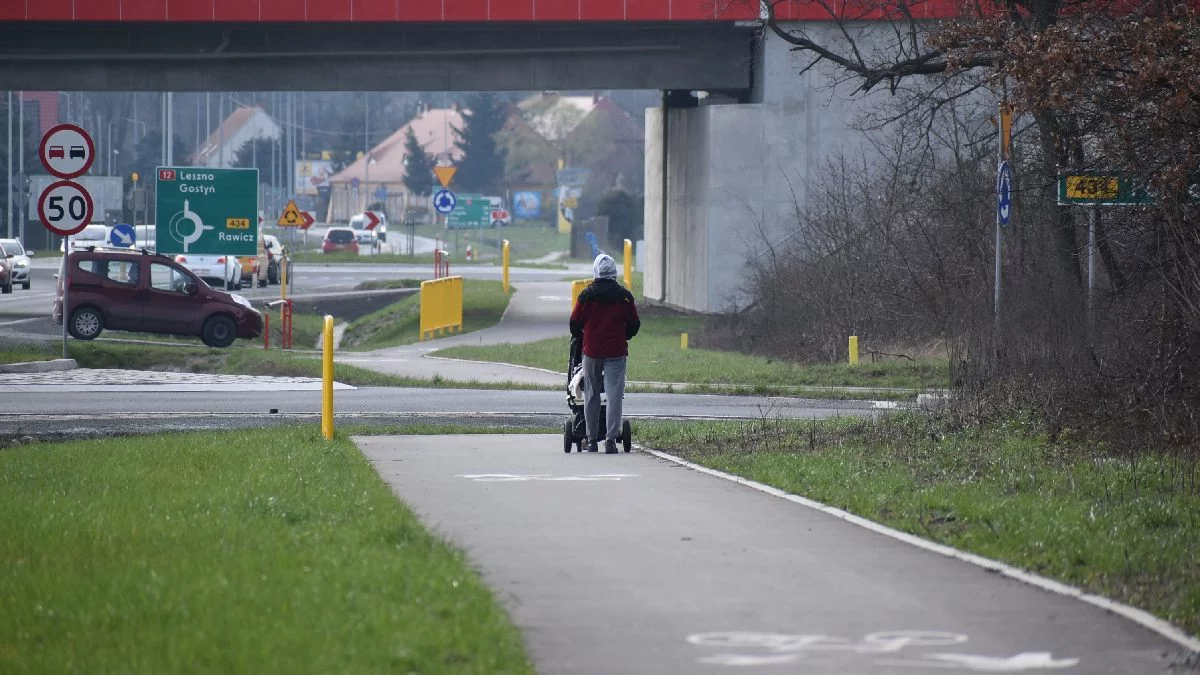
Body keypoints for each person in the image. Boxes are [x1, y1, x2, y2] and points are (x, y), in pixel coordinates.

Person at [569, 253, 640, 453]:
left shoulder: (586, 295)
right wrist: (623, 336)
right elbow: (634, 324)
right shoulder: (624, 297)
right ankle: (610, 440)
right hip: (616, 352)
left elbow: (574, 322)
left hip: (591, 352)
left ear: (596, 272)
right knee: (614, 395)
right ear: (614, 273)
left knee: (591, 394)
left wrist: (583, 337)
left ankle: (591, 440)